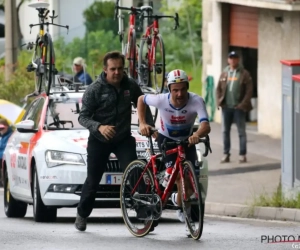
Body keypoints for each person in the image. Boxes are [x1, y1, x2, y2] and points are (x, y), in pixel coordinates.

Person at [74, 51, 154, 231]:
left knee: (135, 171)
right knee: (93, 180)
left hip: (123, 138)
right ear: (105, 70)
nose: (117, 73)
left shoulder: (130, 85)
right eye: (113, 69)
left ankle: (144, 213)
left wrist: (148, 125)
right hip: (99, 140)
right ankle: (82, 213)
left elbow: (143, 103)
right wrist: (99, 127)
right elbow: (83, 117)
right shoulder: (94, 89)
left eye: (120, 69)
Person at [137, 69, 211, 236]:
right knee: (178, 177)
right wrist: (142, 123)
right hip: (166, 139)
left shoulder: (196, 100)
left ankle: (174, 199)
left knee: (190, 188)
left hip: (187, 140)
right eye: (175, 90)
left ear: (187, 87)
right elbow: (141, 99)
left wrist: (197, 135)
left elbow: (206, 125)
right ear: (169, 89)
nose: (179, 94)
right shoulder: (161, 99)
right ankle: (186, 217)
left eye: (182, 89)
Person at [216, 51, 253, 163]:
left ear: (238, 59)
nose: (233, 60)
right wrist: (219, 101)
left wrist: (242, 105)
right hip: (226, 107)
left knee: (241, 132)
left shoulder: (244, 73)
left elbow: (249, 91)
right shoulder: (224, 73)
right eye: (231, 58)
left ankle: (242, 154)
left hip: (239, 108)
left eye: (235, 58)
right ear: (228, 60)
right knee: (225, 131)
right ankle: (226, 154)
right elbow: (218, 89)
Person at [0, 118, 14, 187]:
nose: (1, 130)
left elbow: (5, 147)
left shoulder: (10, 135)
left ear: (7, 127)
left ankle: (3, 180)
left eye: (2, 128)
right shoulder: (2, 136)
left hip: (4, 155)